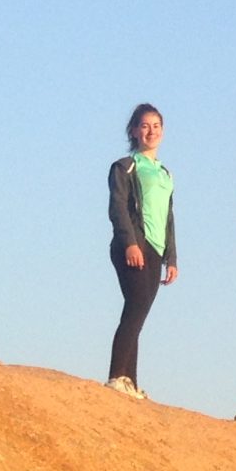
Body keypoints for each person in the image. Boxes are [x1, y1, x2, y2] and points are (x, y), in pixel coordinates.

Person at [106, 102, 178, 400]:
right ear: (134, 131)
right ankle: (116, 375)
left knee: (138, 312)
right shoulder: (125, 166)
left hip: (156, 251)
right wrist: (131, 243)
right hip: (134, 245)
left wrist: (171, 258)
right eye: (145, 126)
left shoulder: (164, 173)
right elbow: (118, 208)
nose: (151, 131)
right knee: (136, 308)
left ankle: (129, 381)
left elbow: (168, 216)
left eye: (156, 126)